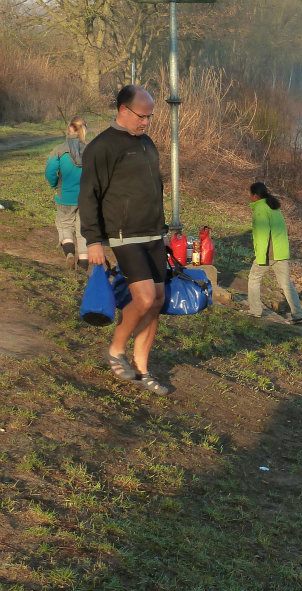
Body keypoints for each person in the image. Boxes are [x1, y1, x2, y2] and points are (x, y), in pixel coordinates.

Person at [79, 85, 169, 396]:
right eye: (142, 116)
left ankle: (143, 369)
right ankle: (117, 349)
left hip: (154, 234)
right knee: (143, 298)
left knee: (157, 301)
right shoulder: (101, 147)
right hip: (123, 235)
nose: (146, 122)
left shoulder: (146, 144)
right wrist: (93, 240)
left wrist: (164, 229)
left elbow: (153, 188)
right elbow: (89, 195)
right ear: (123, 110)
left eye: (150, 117)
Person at [246, 182, 302, 325]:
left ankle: (255, 311)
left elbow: (262, 234)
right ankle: (298, 314)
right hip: (281, 251)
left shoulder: (260, 208)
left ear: (255, 196)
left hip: (269, 253)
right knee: (286, 284)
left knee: (253, 278)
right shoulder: (273, 206)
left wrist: (260, 257)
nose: (249, 197)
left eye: (250, 195)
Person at [45, 116, 88, 269]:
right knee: (83, 229)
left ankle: (69, 253)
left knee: (64, 225)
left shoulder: (59, 150)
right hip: (86, 198)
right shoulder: (90, 150)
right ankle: (83, 263)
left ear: (69, 129)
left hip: (65, 196)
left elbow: (50, 172)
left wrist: (55, 184)